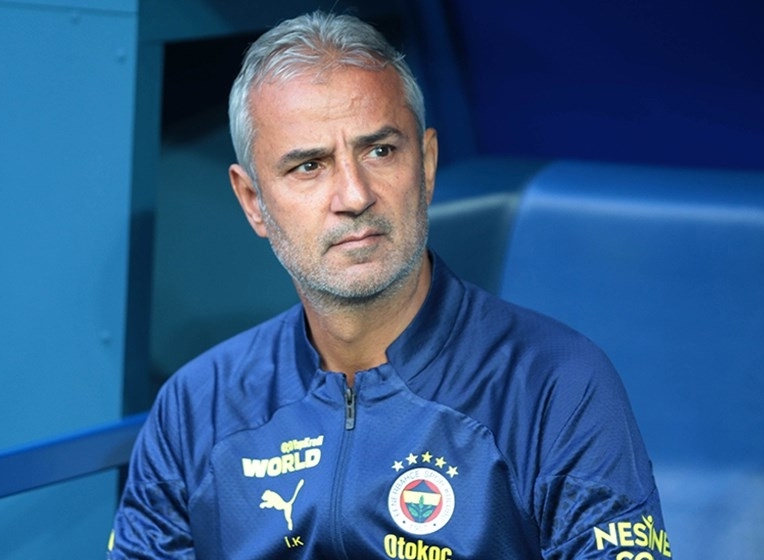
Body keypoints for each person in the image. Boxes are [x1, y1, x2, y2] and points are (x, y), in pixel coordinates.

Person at [109, 11, 669, 559]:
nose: (354, 196)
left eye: (380, 151)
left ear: (426, 164)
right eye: (309, 166)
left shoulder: (554, 382)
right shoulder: (196, 405)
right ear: (253, 201)